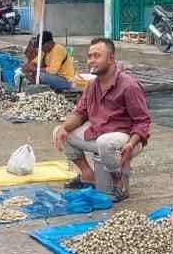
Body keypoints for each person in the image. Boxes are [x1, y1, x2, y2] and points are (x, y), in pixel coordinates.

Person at [52, 38, 151, 202]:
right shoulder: (92, 86)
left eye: (97, 56)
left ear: (111, 58)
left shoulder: (129, 86)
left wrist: (131, 144)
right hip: (99, 134)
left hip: (127, 139)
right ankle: (87, 175)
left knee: (105, 143)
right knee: (60, 132)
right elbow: (80, 113)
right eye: (90, 56)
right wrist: (64, 128)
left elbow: (142, 122)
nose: (91, 60)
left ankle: (118, 183)